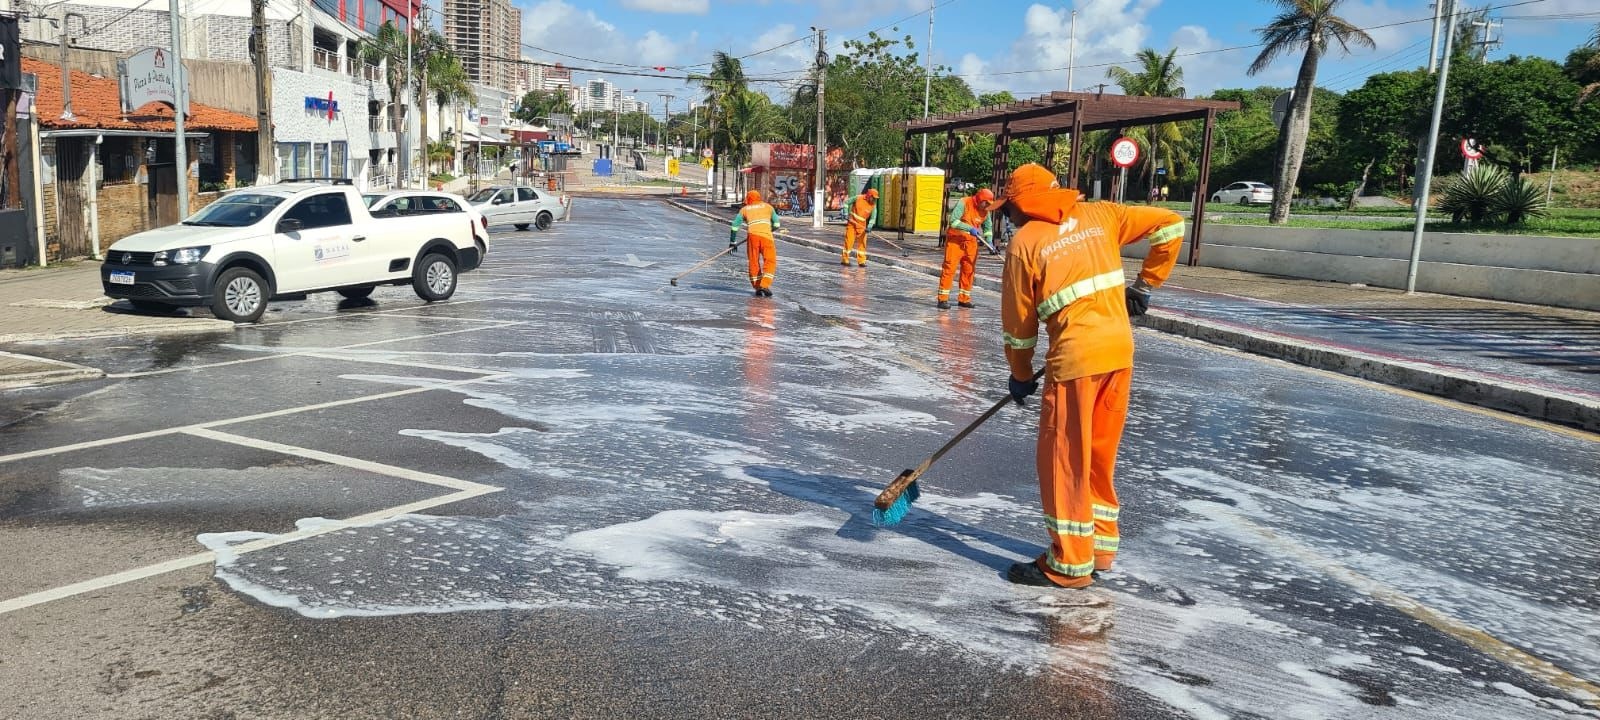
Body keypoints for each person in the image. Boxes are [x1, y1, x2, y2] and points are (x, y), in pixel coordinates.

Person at [995, 163, 1185, 589]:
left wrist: (1020, 374)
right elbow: (1171, 224)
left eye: (1009, 210)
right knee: (1098, 456)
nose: (1009, 218)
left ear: (1021, 206)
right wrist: (1146, 285)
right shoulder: (1103, 215)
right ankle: (1099, 548)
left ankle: (1067, 563)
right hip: (1118, 354)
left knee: (1065, 460)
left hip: (1075, 363)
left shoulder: (1026, 243)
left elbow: (1018, 325)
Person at [938, 188, 995, 309]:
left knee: (969, 271)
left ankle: (964, 299)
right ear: (980, 199)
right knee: (949, 268)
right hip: (955, 241)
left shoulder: (986, 210)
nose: (987, 206)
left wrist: (989, 241)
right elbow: (953, 221)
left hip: (971, 244)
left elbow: (988, 226)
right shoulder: (964, 202)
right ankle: (942, 299)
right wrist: (969, 228)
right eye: (986, 203)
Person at [730, 190, 780, 297]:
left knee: (753, 261)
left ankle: (758, 287)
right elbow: (777, 224)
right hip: (767, 237)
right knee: (770, 261)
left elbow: (734, 226)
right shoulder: (768, 207)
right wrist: (768, 229)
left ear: (748, 199)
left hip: (752, 237)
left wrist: (732, 241)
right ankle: (764, 285)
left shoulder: (744, 209)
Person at [841, 188, 879, 267]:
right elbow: (846, 202)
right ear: (869, 196)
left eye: (875, 198)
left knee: (862, 243)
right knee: (849, 242)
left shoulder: (873, 206)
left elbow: (873, 218)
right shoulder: (858, 198)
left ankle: (861, 261)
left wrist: (869, 226)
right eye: (874, 198)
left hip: (862, 226)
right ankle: (845, 259)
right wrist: (845, 213)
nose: (874, 200)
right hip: (852, 223)